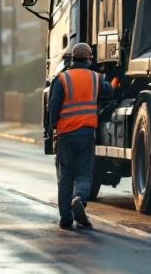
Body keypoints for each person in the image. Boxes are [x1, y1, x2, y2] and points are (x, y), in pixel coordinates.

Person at [48, 42, 112, 229]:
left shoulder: (61, 79)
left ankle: (65, 219)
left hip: (66, 134)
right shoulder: (96, 78)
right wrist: (112, 84)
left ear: (72, 59)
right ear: (89, 59)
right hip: (86, 134)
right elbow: (108, 92)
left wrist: (53, 129)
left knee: (65, 176)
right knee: (84, 172)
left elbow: (53, 106)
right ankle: (79, 198)